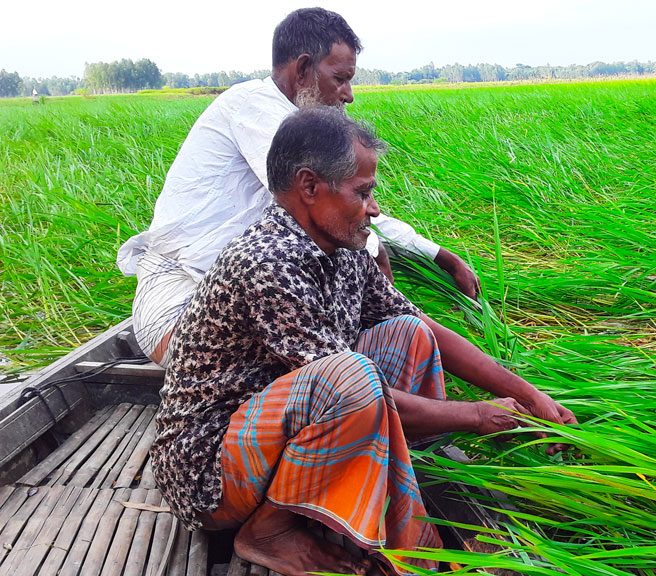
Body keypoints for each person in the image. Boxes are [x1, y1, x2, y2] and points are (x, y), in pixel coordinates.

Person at [150, 107, 576, 576]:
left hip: (271, 438)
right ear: (310, 187)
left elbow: (427, 327)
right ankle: (269, 530)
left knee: (408, 334)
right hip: (209, 470)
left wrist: (528, 394)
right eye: (362, 192)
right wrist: (476, 415)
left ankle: (376, 481)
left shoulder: (341, 248)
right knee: (351, 377)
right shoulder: (268, 263)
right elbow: (349, 387)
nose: (373, 208)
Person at [117, 7, 479, 367]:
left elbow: (349, 207)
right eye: (339, 78)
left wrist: (438, 256)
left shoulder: (300, 129)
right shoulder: (257, 110)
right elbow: (344, 210)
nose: (348, 95)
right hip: (179, 300)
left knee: (361, 288)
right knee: (356, 306)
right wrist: (391, 257)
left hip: (244, 295)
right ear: (303, 70)